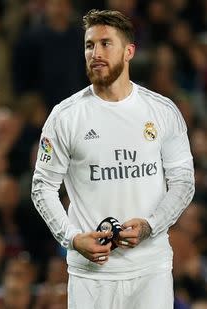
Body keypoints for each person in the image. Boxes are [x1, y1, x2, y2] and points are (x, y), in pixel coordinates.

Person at [31, 9, 195, 308]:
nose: (96, 53)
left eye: (106, 43)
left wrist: (151, 226)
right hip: (91, 275)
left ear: (129, 51)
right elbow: (42, 187)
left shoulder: (162, 111)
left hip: (151, 270)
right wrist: (72, 238)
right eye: (89, 45)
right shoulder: (65, 117)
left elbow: (183, 182)